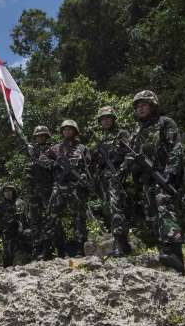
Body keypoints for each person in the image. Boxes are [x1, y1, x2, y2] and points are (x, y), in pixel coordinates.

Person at [123, 90, 185, 274]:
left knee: (164, 207)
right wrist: (127, 167)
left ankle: (175, 252)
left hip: (164, 175)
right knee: (152, 215)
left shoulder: (165, 123)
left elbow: (176, 148)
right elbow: (131, 154)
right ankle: (165, 254)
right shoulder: (137, 131)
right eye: (138, 105)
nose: (140, 108)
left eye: (144, 104)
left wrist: (170, 172)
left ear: (153, 106)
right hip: (146, 180)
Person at [43, 119, 92, 258]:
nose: (67, 131)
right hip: (59, 186)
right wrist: (53, 164)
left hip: (75, 186)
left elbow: (88, 166)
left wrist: (83, 176)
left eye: (70, 129)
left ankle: (79, 249)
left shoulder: (82, 148)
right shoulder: (55, 148)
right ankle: (49, 250)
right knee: (52, 217)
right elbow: (42, 158)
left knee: (78, 218)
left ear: (75, 131)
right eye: (65, 129)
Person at [92, 106, 132, 257]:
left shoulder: (122, 134)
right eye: (102, 119)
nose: (105, 121)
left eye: (108, 118)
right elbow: (95, 161)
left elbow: (130, 154)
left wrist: (121, 171)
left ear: (113, 118)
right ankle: (124, 243)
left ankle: (118, 245)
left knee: (116, 209)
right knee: (108, 210)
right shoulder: (100, 139)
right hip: (104, 178)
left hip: (118, 176)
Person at [23, 125, 54, 259]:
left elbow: (52, 165)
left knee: (50, 219)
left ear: (46, 137)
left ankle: (49, 248)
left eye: (42, 135)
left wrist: (39, 156)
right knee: (34, 220)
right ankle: (37, 248)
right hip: (33, 191)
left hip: (47, 190)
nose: (40, 138)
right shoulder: (32, 151)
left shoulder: (52, 150)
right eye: (38, 136)